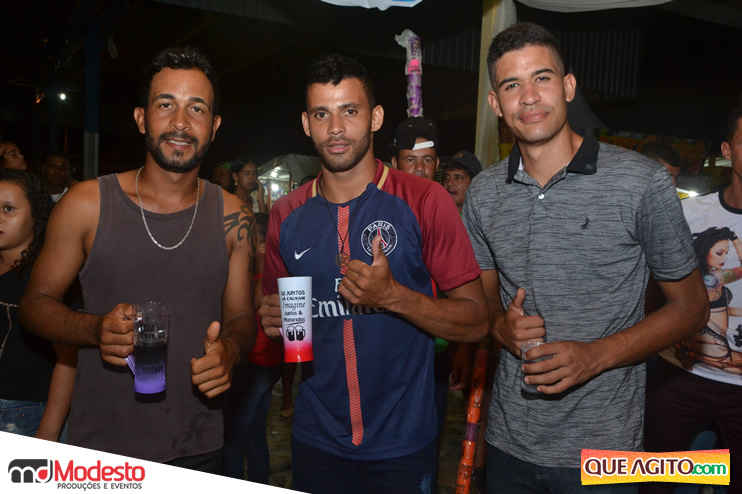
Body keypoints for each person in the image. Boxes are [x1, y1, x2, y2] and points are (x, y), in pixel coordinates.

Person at [461, 22, 708, 493]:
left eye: (542, 78)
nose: (529, 97)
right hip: (509, 443)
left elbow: (692, 307)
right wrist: (498, 326)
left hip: (604, 450)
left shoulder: (640, 182)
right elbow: (485, 302)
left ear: (568, 86)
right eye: (511, 85)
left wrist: (594, 356)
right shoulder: (484, 193)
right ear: (495, 103)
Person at [19, 46, 256, 472]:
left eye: (196, 108)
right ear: (141, 118)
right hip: (102, 450)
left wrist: (231, 351)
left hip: (200, 446)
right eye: (165, 104)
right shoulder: (86, 204)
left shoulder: (234, 216)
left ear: (214, 126)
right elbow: (34, 306)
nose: (180, 122)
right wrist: (93, 329)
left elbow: (241, 317)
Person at [259, 54, 488, 493]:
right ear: (306, 124)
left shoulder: (424, 201)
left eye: (350, 111)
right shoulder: (286, 215)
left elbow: (477, 319)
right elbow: (280, 321)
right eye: (321, 114)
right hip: (316, 440)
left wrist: (394, 297)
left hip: (403, 445)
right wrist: (271, 322)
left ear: (376, 117)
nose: (336, 128)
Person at [644, 108, 742, 494]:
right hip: (680, 375)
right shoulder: (688, 213)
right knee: (652, 482)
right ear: (727, 150)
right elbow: (653, 291)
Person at [0, 169, 75, 441]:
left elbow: (68, 360)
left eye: (9, 209)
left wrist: (48, 433)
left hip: (24, 412)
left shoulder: (47, 277)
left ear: (36, 215)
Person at [223, 212, 282, 482]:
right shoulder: (267, 276)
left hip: (256, 368)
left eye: (249, 241)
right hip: (266, 368)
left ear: (261, 246)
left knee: (233, 442)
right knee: (254, 435)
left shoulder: (263, 281)